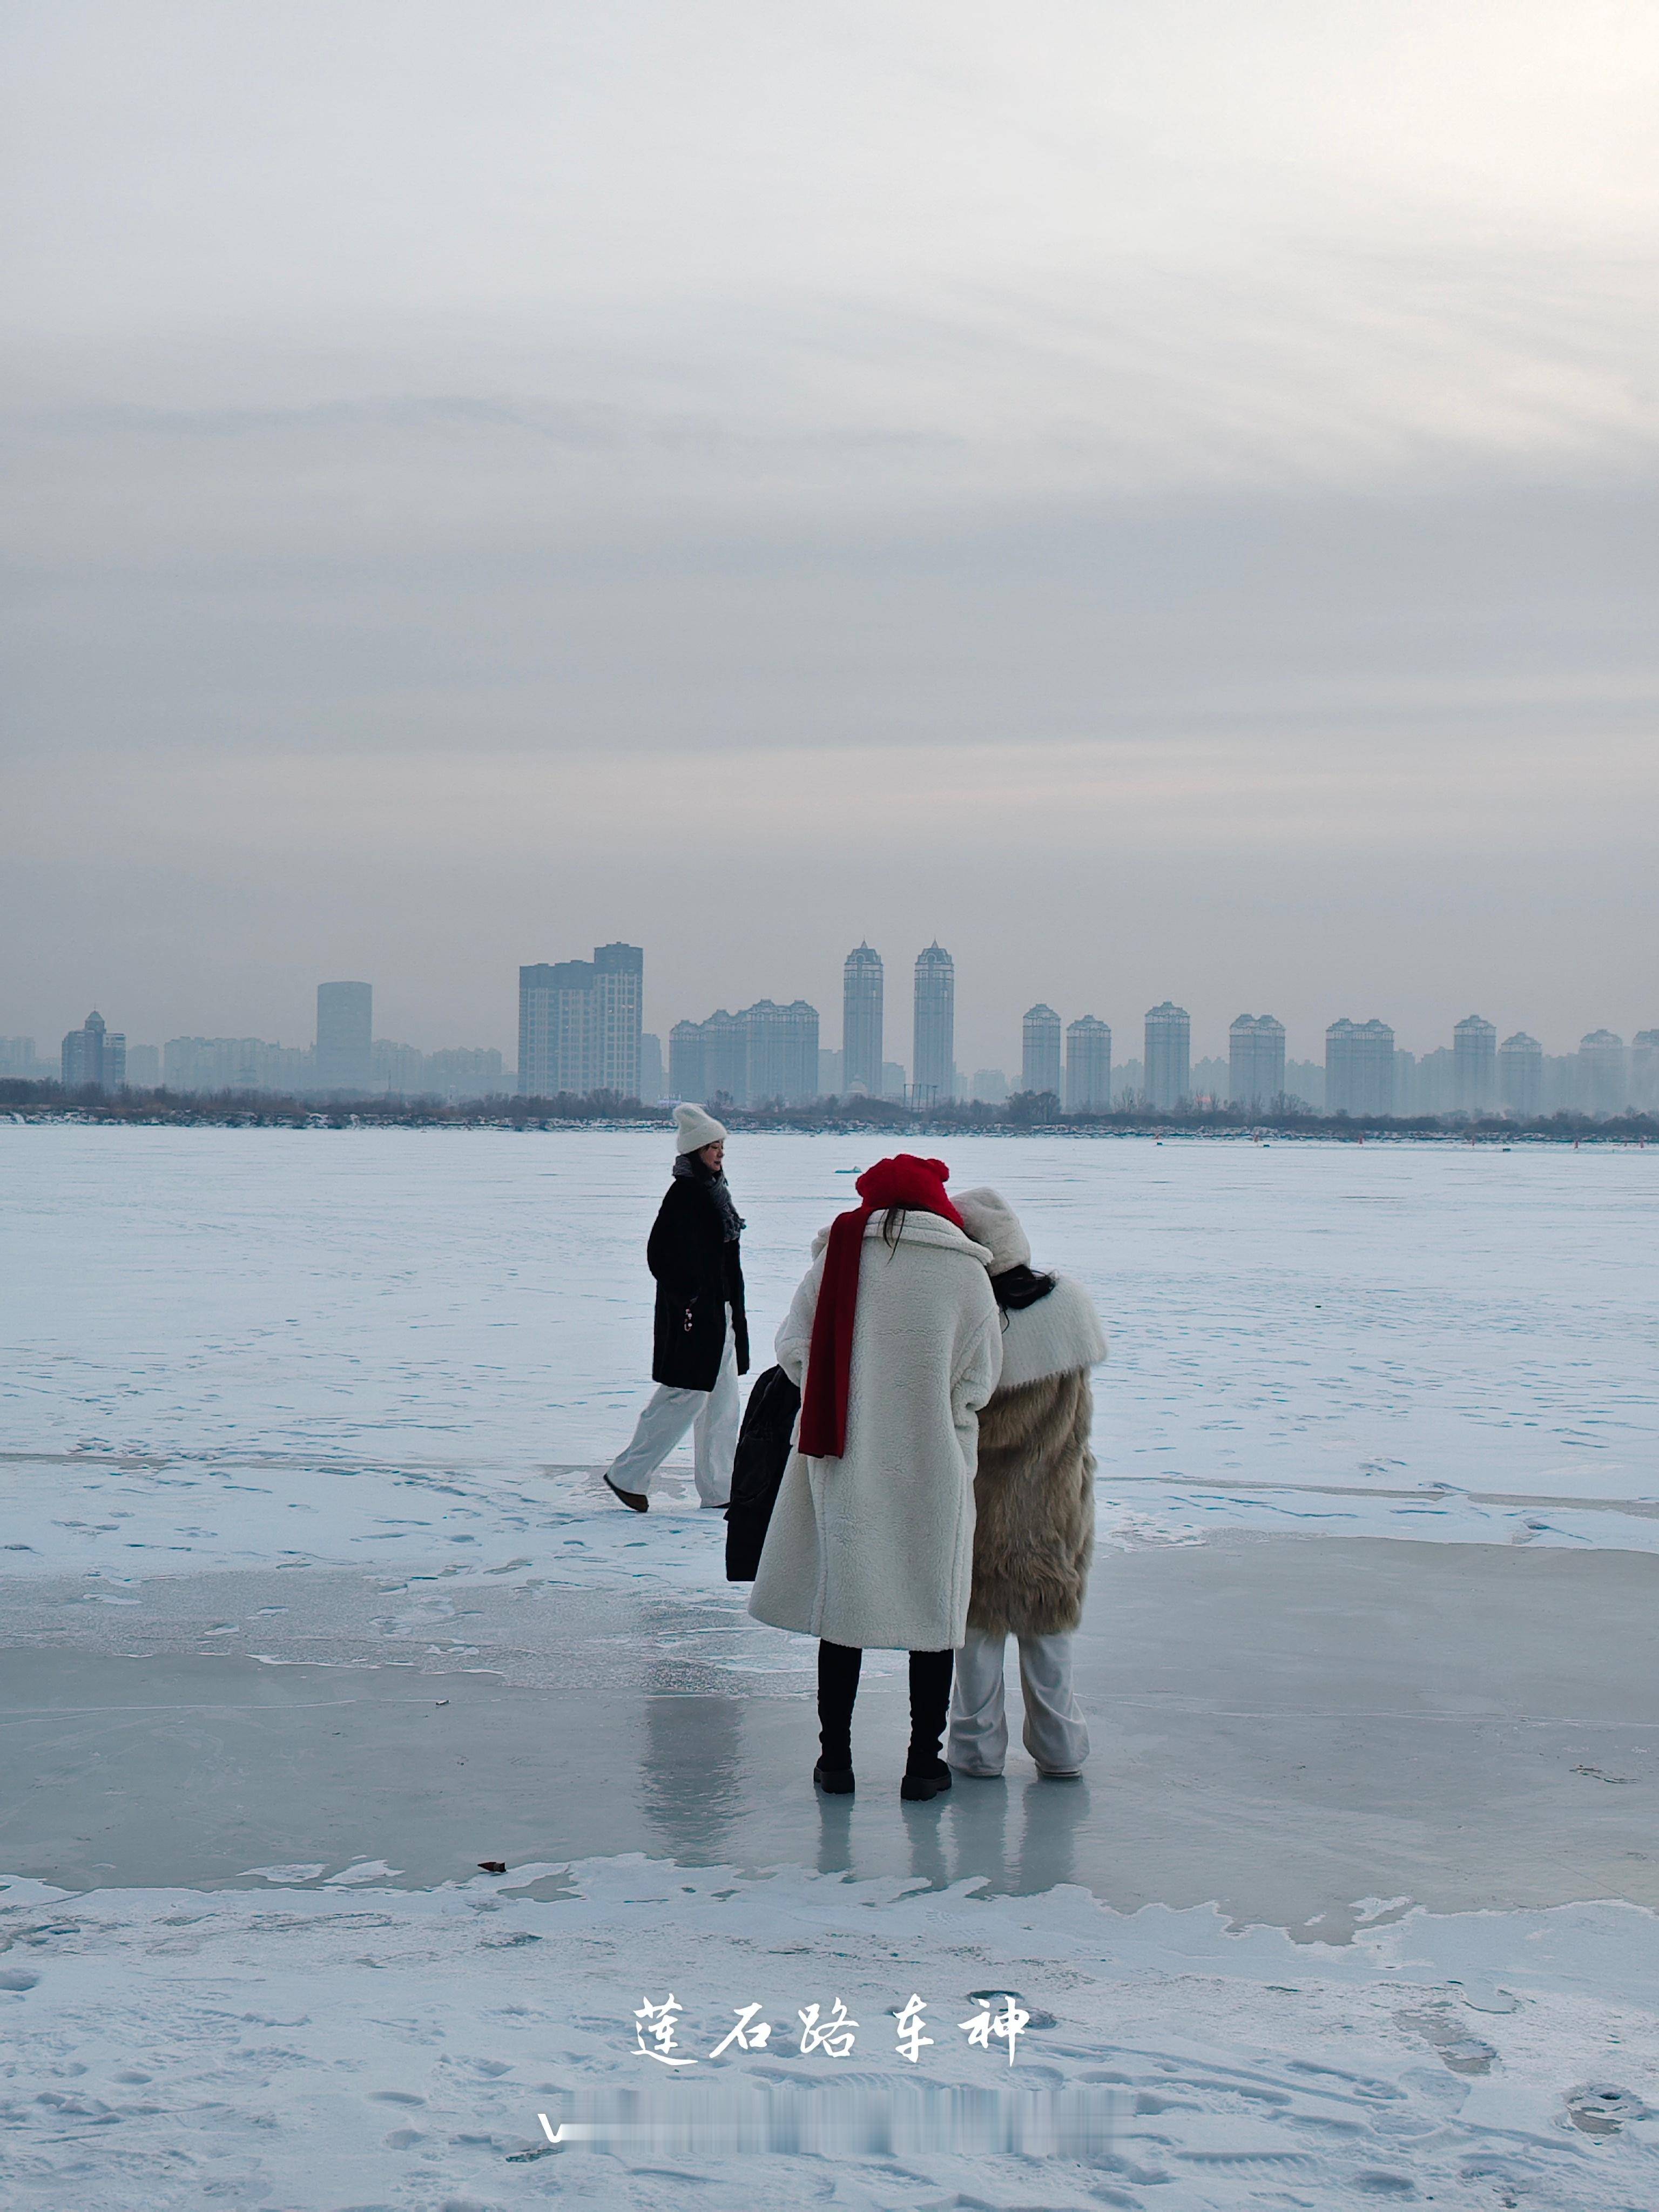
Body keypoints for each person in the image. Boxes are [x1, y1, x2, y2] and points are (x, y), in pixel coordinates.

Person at [749, 1155, 1002, 1800]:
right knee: (933, 1612)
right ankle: (924, 1764)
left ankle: (835, 1762)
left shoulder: (838, 1256)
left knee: (844, 1610)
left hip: (845, 1456)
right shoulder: (966, 1273)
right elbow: (978, 1381)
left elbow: (794, 1349)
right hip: (934, 1463)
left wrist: (837, 1399)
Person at [946, 1187, 1107, 1780]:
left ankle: (976, 1750)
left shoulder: (970, 1321)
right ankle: (1061, 1749)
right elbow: (1079, 1417)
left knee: (979, 1636)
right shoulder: (1069, 1308)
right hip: (1055, 1502)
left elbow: (963, 1419)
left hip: (984, 1507)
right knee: (1047, 1633)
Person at [603, 1103, 750, 1512]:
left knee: (721, 1405)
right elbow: (660, 1256)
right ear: (693, 1152)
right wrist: (692, 1296)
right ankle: (628, 1474)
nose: (720, 1154)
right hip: (696, 1318)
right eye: (712, 1147)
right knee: (683, 1396)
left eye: (722, 1146)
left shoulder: (714, 1193)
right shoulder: (686, 1194)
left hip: (720, 1315)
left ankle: (720, 1490)